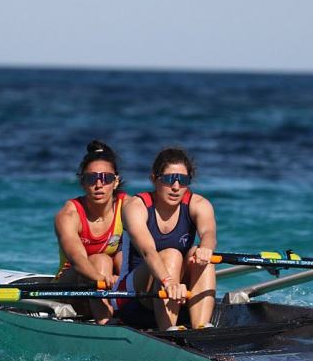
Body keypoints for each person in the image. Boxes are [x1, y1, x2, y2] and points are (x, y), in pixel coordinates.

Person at [115, 147, 217, 331]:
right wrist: (169, 282)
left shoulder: (200, 205)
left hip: (176, 294)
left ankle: (201, 328)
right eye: (170, 179)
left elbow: (209, 234)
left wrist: (206, 248)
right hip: (133, 299)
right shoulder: (136, 206)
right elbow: (148, 251)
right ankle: (168, 331)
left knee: (200, 256)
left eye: (183, 180)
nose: (176, 187)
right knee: (172, 255)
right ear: (154, 179)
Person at [54, 140, 126, 324]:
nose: (99, 184)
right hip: (73, 290)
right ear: (83, 182)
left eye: (106, 178)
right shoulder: (69, 214)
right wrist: (103, 279)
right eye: (91, 178)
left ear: (115, 182)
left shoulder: (128, 206)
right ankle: (105, 325)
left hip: (109, 288)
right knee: (101, 259)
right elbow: (78, 261)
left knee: (121, 257)